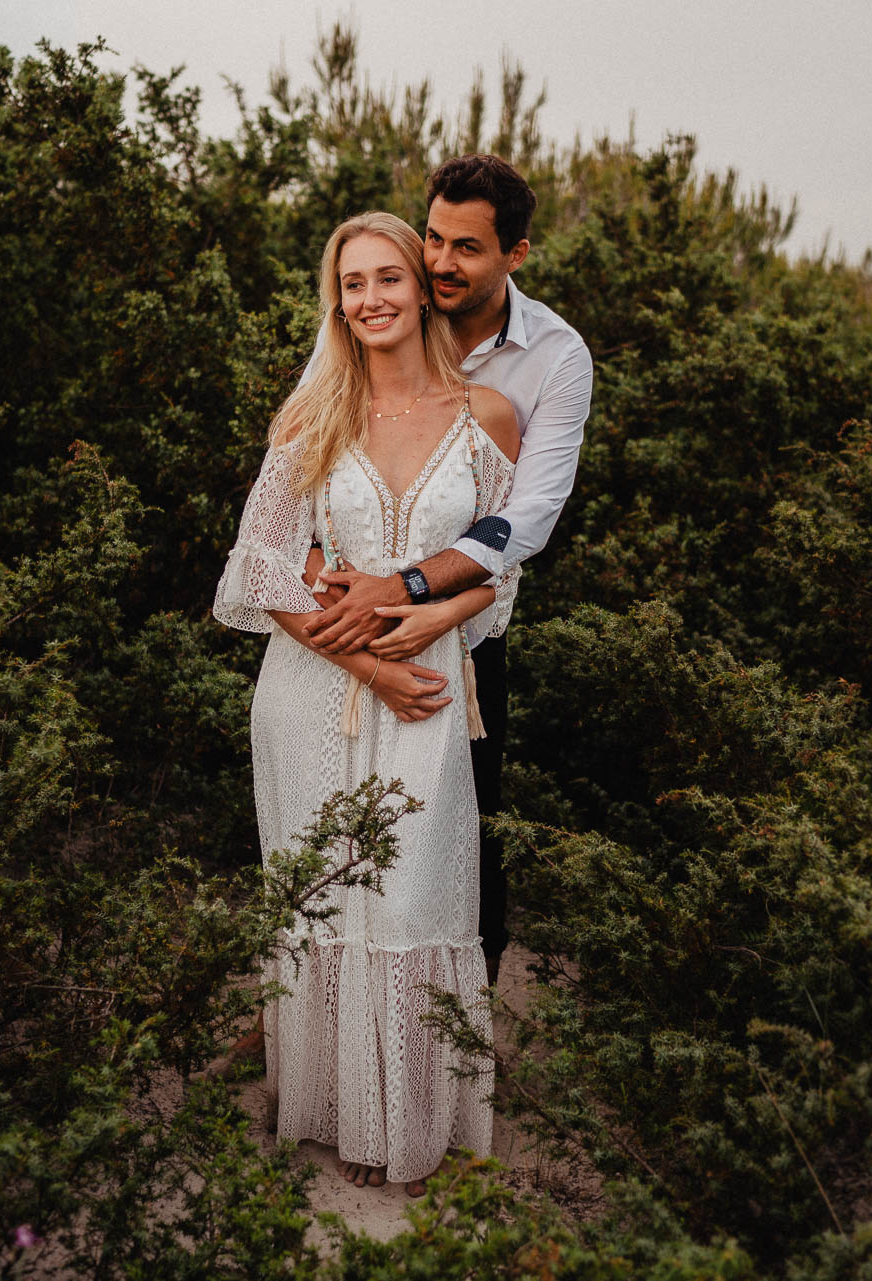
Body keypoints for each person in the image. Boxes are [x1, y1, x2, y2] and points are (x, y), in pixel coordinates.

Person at [213, 211, 522, 1194]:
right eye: (352, 285)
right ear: (335, 301)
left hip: (430, 691)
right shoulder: (312, 415)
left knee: (416, 892)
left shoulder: (487, 416)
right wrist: (370, 666)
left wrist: (422, 631)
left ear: (422, 286)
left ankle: (416, 1119)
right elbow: (264, 562)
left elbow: (499, 573)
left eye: (389, 277)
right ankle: (330, 1107)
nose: (372, 298)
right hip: (311, 693)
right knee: (325, 893)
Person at [302, 155, 595, 986]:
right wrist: (343, 592)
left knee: (466, 827)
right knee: (330, 823)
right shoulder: (383, 308)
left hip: (463, 631)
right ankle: (315, 1007)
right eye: (432, 237)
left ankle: (463, 1012)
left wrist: (424, 599)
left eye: (466, 247)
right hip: (347, 625)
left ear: (516, 254)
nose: (440, 262)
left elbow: (529, 516)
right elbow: (308, 482)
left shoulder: (553, 359)